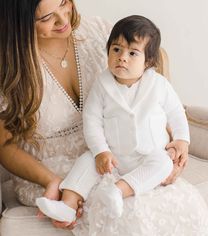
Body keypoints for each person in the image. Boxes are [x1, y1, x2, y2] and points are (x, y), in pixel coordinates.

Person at [0, 0, 208, 235]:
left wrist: (174, 148)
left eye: (64, 3)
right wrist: (51, 181)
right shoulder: (10, 65)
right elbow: (4, 145)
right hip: (54, 167)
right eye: (46, 18)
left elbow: (155, 103)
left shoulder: (102, 34)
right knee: (125, 209)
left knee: (181, 199)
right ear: (19, 23)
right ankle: (67, 205)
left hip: (121, 154)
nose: (63, 20)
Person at [35, 15, 190, 223]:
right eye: (116, 49)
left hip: (149, 154)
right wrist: (101, 151)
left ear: (149, 62)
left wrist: (181, 140)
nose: (122, 57)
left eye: (133, 53)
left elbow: (176, 113)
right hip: (113, 157)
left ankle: (118, 191)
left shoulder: (159, 85)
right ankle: (67, 205)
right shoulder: (102, 85)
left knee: (163, 164)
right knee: (86, 161)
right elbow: (92, 121)